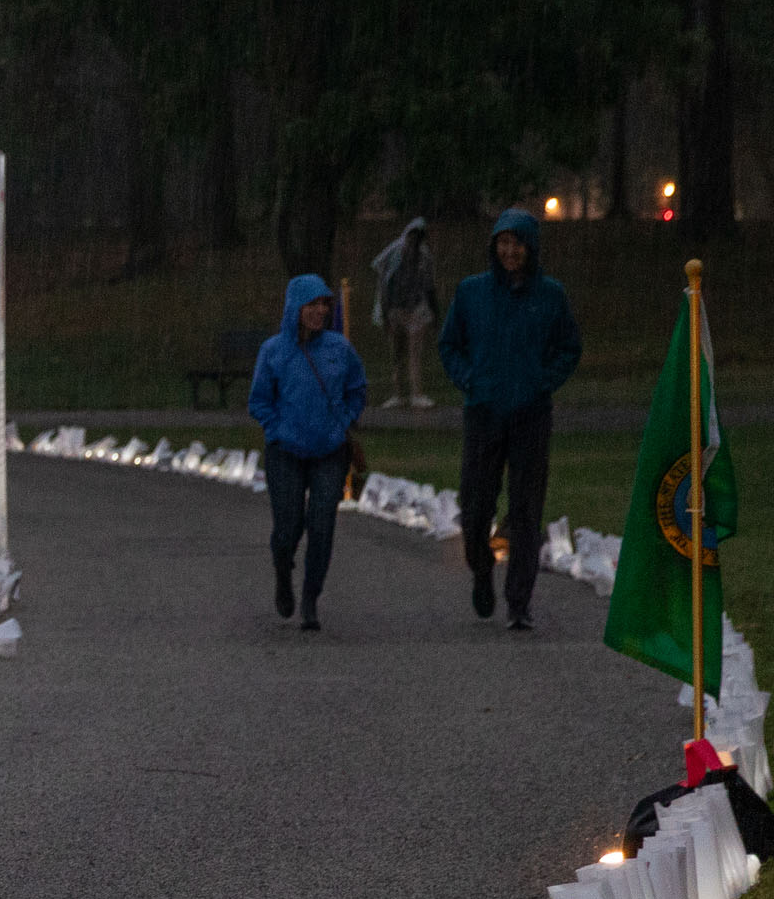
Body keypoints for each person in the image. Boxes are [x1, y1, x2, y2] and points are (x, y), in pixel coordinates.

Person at [438, 206, 584, 629]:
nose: (510, 251)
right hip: (483, 412)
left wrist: (544, 381)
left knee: (525, 510)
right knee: (476, 504)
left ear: (530, 247)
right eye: (503, 243)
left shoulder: (550, 296)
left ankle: (519, 601)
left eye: (517, 243)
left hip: (530, 415)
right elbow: (450, 345)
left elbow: (569, 348)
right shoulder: (472, 293)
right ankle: (481, 568)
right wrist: (470, 380)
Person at [248, 271, 369, 630]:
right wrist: (276, 429)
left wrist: (344, 420)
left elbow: (357, 389)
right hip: (285, 450)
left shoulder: (339, 349)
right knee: (288, 526)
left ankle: (311, 596)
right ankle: (283, 570)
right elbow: (259, 400)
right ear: (295, 308)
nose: (318, 311)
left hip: (329, 451)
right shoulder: (274, 351)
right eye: (311, 305)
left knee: (322, 524)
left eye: (323, 304)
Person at [370, 215, 438, 407]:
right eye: (411, 237)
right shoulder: (394, 254)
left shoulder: (424, 257)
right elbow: (384, 286)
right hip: (395, 310)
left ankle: (417, 394)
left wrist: (434, 315)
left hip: (416, 309)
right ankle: (398, 395)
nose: (413, 242)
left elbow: (429, 286)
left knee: (414, 354)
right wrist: (385, 315)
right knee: (397, 354)